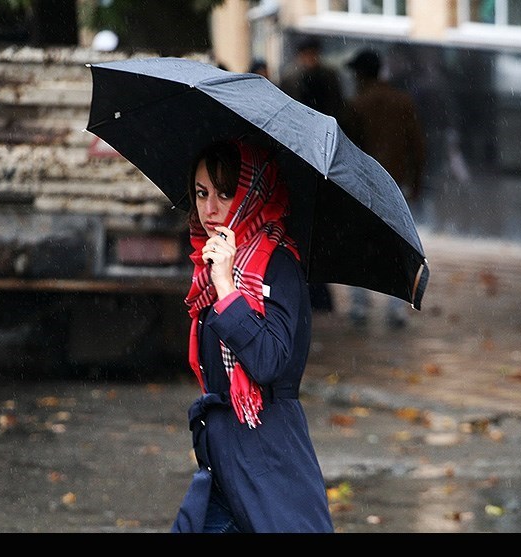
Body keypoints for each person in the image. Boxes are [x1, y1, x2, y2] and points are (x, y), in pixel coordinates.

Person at [171, 139, 333, 533]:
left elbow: (267, 361)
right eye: (201, 193)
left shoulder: (277, 266)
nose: (209, 210)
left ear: (250, 194)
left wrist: (227, 288)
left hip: (268, 460)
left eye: (225, 194)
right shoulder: (211, 268)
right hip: (223, 466)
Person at [345, 48, 427, 329]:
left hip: (363, 188)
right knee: (398, 248)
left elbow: (348, 151)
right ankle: (398, 308)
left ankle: (359, 305)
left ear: (360, 74)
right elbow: (418, 147)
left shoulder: (356, 104)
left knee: (359, 247)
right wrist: (415, 183)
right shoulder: (402, 102)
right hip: (397, 187)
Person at [279, 37, 354, 312]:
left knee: (317, 228)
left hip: (322, 161)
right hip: (299, 160)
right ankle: (307, 287)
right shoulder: (290, 79)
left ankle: (318, 289)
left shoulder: (329, 78)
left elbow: (339, 114)